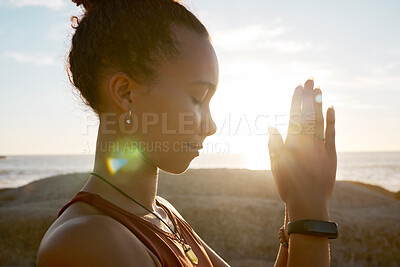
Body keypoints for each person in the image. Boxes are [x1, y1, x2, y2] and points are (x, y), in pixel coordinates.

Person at [36, 0, 337, 266]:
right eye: (197, 98)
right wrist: (310, 206)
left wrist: (297, 206)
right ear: (126, 93)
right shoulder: (86, 243)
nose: (210, 126)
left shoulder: (162, 213)